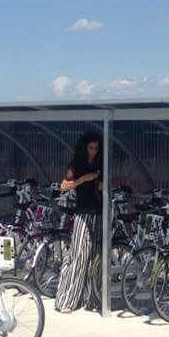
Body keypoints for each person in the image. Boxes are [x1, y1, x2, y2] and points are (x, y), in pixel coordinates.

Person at [55, 131, 103, 312]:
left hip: (98, 212)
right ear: (85, 148)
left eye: (97, 148)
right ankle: (67, 299)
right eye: (91, 148)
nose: (94, 152)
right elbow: (64, 185)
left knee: (95, 256)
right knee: (78, 255)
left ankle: (92, 298)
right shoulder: (77, 165)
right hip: (83, 213)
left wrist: (100, 184)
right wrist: (84, 179)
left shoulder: (100, 164)